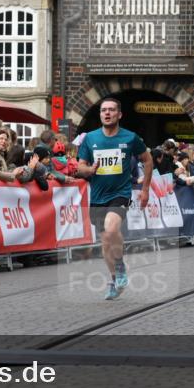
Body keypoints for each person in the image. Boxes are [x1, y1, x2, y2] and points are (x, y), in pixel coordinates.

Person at [75, 97, 152, 300]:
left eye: (111, 110)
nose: (107, 113)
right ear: (100, 114)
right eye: (103, 110)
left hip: (120, 193)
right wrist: (89, 169)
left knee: (111, 228)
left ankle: (120, 266)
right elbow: (79, 166)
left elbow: (148, 159)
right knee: (105, 241)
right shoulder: (90, 139)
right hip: (98, 196)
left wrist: (145, 190)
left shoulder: (130, 137)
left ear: (119, 114)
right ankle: (113, 279)